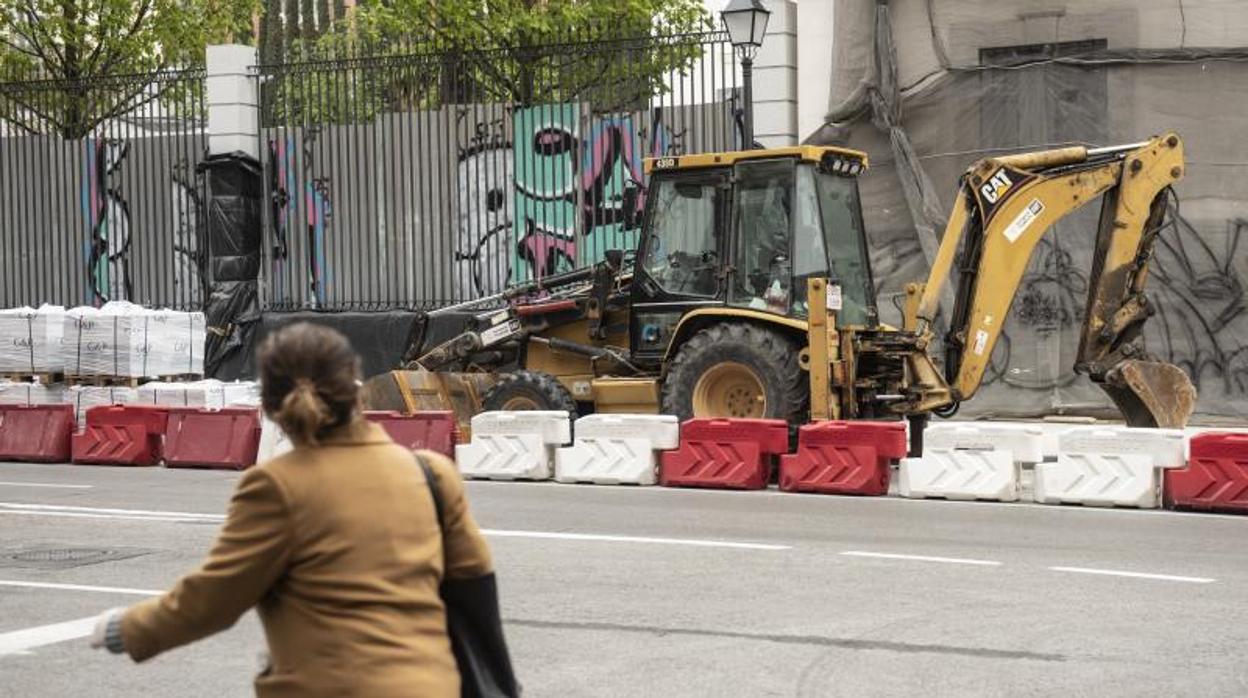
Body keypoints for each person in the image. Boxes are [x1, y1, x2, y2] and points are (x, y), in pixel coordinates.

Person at [89, 323, 493, 697]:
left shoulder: (274, 488)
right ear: (357, 392)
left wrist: (126, 629)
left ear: (271, 407)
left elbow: (212, 599)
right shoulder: (433, 476)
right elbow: (477, 583)